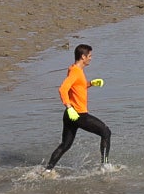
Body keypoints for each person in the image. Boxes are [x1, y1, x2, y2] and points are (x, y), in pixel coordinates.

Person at [44, 43, 111, 174]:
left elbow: (77, 87)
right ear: (83, 57)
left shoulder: (74, 69)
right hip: (79, 115)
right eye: (90, 56)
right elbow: (62, 89)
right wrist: (69, 107)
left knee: (65, 145)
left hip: (70, 116)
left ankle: (47, 171)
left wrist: (91, 83)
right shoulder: (75, 72)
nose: (91, 58)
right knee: (106, 132)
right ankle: (105, 166)